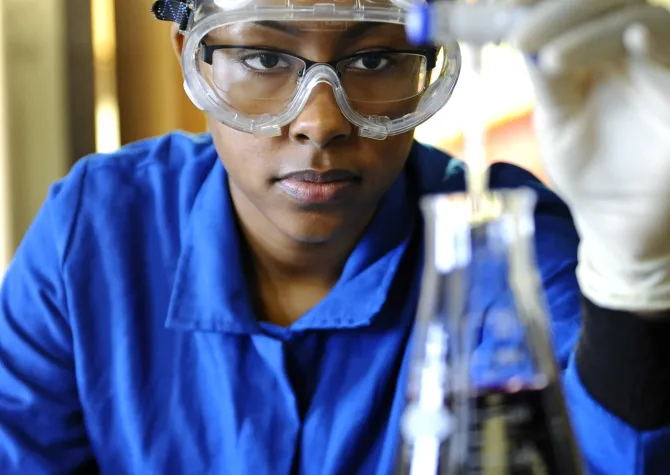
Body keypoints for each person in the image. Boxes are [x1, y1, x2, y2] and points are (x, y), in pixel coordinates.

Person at [0, 0, 668, 472]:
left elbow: (619, 456)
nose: (321, 121)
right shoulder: (92, 232)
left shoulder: (507, 244)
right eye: (264, 56)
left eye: (376, 61)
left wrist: (636, 286)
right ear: (194, 60)